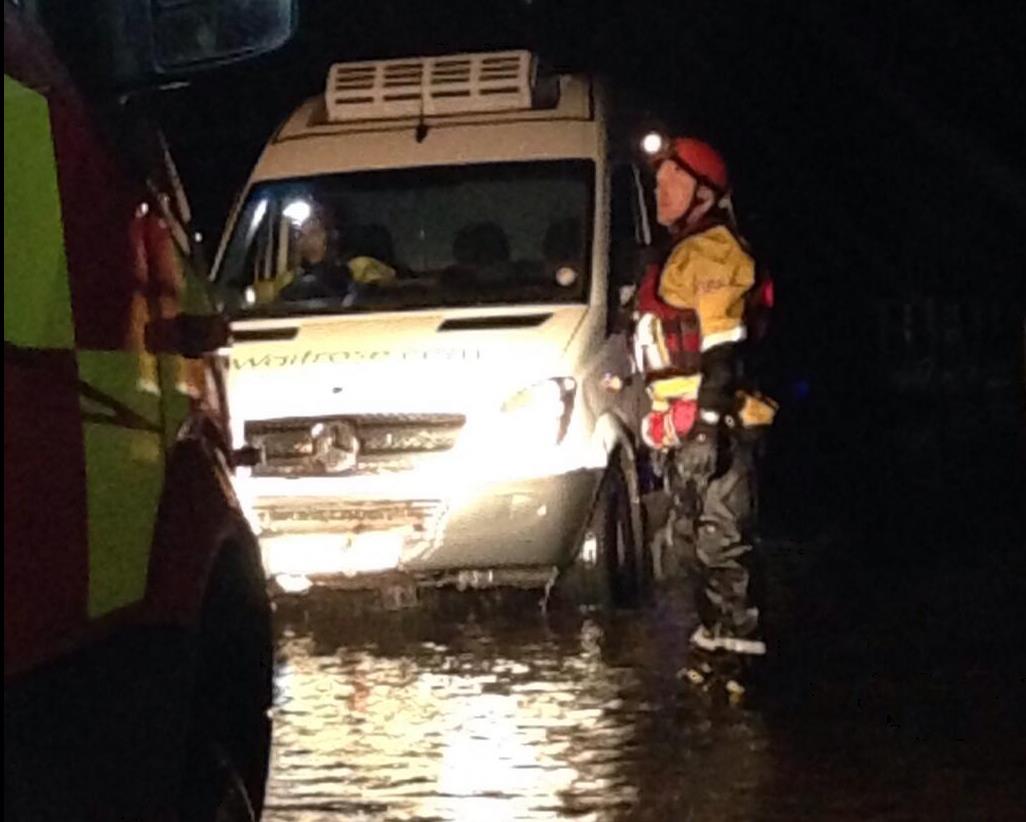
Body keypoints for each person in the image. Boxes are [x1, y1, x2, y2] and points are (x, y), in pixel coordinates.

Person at [633, 136, 776, 702]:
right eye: (658, 180)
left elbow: (721, 349)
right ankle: (714, 646)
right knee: (693, 543)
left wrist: (709, 425)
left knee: (722, 542)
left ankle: (743, 657)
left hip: (720, 424)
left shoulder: (714, 252)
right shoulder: (679, 253)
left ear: (704, 193)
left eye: (673, 180)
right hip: (683, 423)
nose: (660, 190)